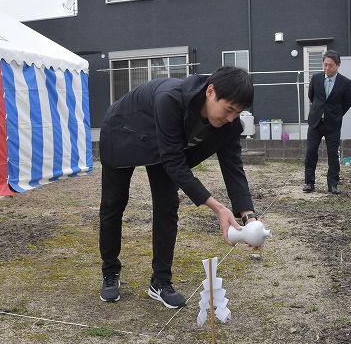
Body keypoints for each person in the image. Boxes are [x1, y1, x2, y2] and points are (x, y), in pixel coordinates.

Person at [98, 66, 260, 309]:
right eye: (228, 110)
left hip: (162, 144)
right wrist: (217, 208)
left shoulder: (230, 125)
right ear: (210, 91)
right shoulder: (171, 98)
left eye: (237, 113)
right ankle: (110, 271)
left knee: (167, 205)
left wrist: (249, 218)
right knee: (114, 203)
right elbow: (175, 162)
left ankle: (160, 281)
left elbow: (234, 168)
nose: (230, 119)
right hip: (123, 132)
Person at [303, 50, 351, 195]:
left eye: (330, 65)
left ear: (337, 65)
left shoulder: (345, 82)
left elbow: (348, 102)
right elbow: (312, 96)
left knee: (333, 154)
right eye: (325, 65)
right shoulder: (316, 78)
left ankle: (333, 185)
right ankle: (309, 182)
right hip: (315, 122)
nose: (327, 68)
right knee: (311, 152)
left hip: (333, 124)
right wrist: (319, 111)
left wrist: (336, 114)